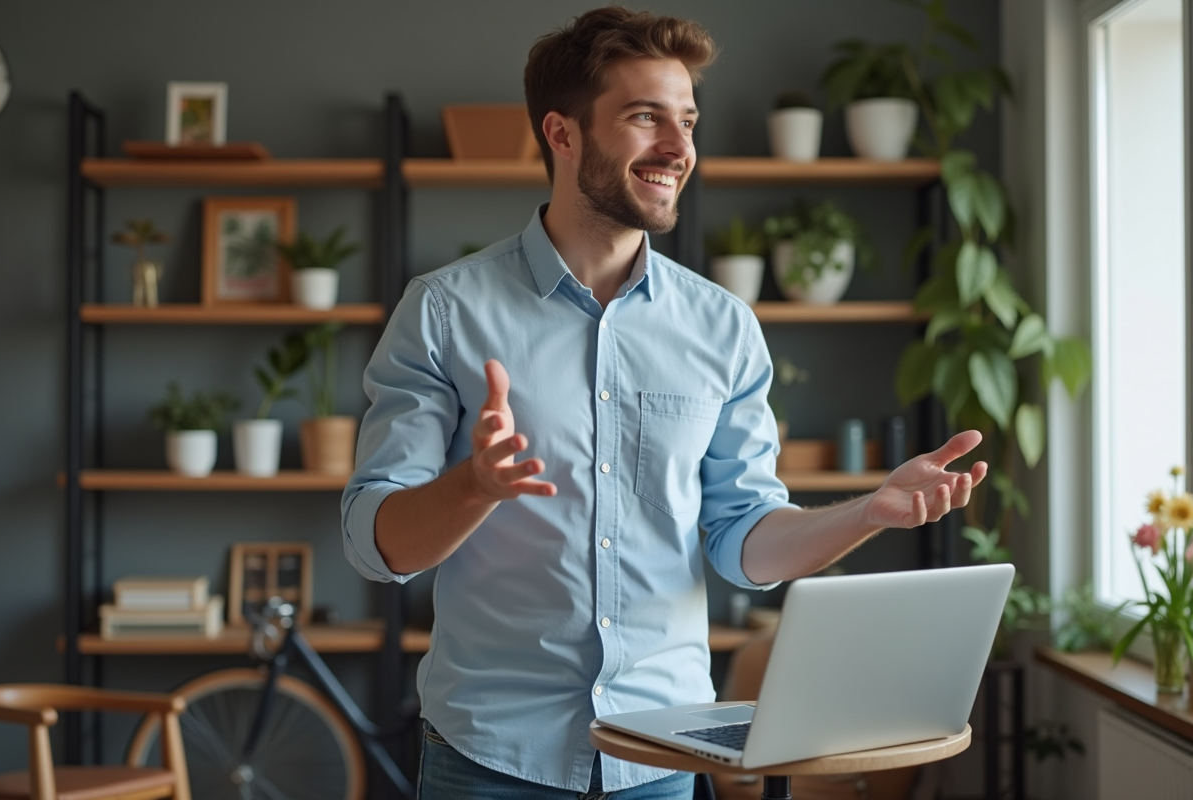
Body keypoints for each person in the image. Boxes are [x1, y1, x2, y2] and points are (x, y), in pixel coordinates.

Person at [341, 7, 986, 800]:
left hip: (663, 759)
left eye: (687, 121)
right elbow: (377, 545)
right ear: (563, 133)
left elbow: (742, 541)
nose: (680, 149)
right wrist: (474, 485)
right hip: (491, 760)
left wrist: (868, 513)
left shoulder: (723, 327)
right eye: (645, 118)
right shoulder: (445, 311)